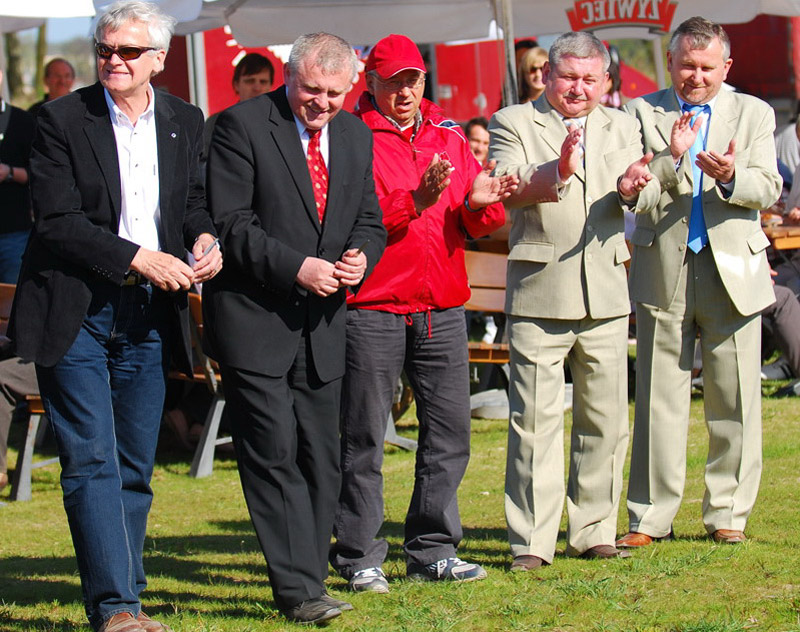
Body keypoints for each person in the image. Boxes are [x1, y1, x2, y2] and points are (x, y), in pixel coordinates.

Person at [8, 2, 223, 630]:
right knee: (91, 457)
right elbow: (57, 221)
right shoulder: (59, 119)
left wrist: (204, 242)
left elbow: (194, 204)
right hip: (74, 307)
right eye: (106, 49)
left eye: (130, 51)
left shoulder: (185, 119)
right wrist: (141, 258)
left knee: (135, 461)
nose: (114, 60)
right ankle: (117, 609)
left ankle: (125, 593)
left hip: (151, 313)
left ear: (159, 58)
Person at [203, 32, 386, 624]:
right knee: (273, 452)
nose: (322, 103)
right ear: (288, 76)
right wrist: (297, 269)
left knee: (322, 459)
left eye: (335, 93)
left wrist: (361, 255)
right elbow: (231, 224)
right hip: (256, 322)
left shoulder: (356, 135)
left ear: (351, 88)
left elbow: (369, 221)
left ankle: (310, 574)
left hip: (324, 326)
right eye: (311, 90)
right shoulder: (240, 126)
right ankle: (300, 590)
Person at [329, 33, 516, 593]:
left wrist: (482, 206)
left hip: (440, 305)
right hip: (374, 304)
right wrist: (414, 199)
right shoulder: (350, 136)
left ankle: (432, 548)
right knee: (362, 435)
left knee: (450, 431)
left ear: (424, 80)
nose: (404, 90)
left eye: (413, 79)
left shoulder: (450, 135)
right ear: (371, 82)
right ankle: (359, 554)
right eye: (392, 80)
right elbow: (344, 221)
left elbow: (473, 221)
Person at [488, 30, 657, 571]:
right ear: (547, 75)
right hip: (541, 289)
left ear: (606, 82)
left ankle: (593, 529)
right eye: (569, 77)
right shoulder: (513, 122)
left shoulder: (623, 123)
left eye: (590, 79)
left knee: (605, 419)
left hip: (606, 289)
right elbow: (504, 185)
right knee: (534, 422)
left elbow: (647, 191)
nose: (578, 89)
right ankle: (532, 542)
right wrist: (556, 171)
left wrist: (635, 188)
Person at [617, 16, 781, 550]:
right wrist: (673, 157)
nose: (696, 76)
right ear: (670, 62)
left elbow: (769, 186)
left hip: (732, 269)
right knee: (658, 398)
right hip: (663, 266)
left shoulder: (753, 112)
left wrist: (731, 176)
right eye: (687, 65)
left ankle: (728, 512)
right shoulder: (641, 112)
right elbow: (634, 194)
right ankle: (648, 517)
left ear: (726, 67)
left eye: (708, 67)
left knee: (733, 396)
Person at [0, 69, 36, 285]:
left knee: (11, 306)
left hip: (13, 234)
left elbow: (41, 175)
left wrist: (9, 172)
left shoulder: (22, 121)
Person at [203, 52, 274, 156]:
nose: (257, 88)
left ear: (270, 86)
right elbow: (204, 164)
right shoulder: (216, 123)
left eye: (263, 82)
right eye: (250, 81)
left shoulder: (282, 124)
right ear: (236, 85)